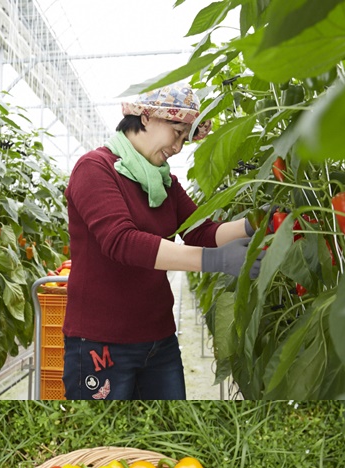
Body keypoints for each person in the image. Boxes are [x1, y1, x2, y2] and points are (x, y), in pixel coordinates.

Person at [62, 83, 264, 400]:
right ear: (145, 118)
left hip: (159, 340)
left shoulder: (165, 182)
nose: (179, 146)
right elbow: (122, 242)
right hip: (102, 344)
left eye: (186, 138)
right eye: (177, 132)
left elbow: (203, 231)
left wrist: (257, 223)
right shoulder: (95, 169)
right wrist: (215, 261)